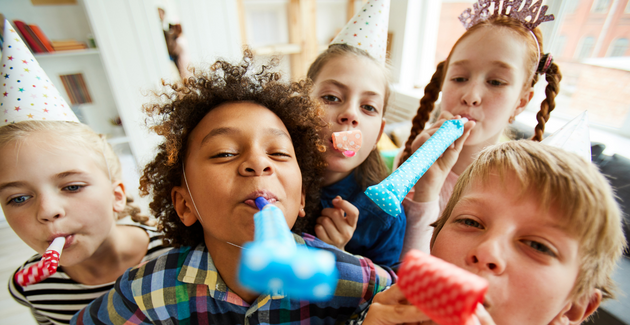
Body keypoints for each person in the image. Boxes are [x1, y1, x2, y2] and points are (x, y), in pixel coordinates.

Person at [71, 51, 395, 325]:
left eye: (279, 153)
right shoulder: (147, 291)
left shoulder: (355, 282)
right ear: (184, 204)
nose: (258, 163)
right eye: (225, 152)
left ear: (302, 199)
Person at [360, 140, 628, 324]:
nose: (486, 251)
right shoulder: (372, 308)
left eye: (537, 245)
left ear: (572, 308)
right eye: (471, 223)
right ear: (434, 238)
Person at [398, 5, 561, 255]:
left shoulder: (520, 189)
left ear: (521, 102)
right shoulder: (410, 163)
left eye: (495, 82)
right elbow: (400, 268)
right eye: (459, 78)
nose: (471, 96)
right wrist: (427, 188)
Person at [1, 121, 170, 325]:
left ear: (117, 196)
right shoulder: (30, 289)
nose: (47, 211)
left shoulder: (178, 252)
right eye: (19, 198)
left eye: (72, 187)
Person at [307, 0, 407, 268]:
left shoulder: (384, 215)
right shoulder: (270, 175)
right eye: (331, 97)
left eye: (368, 107)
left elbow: (385, 296)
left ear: (378, 135)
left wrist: (342, 258)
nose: (350, 114)